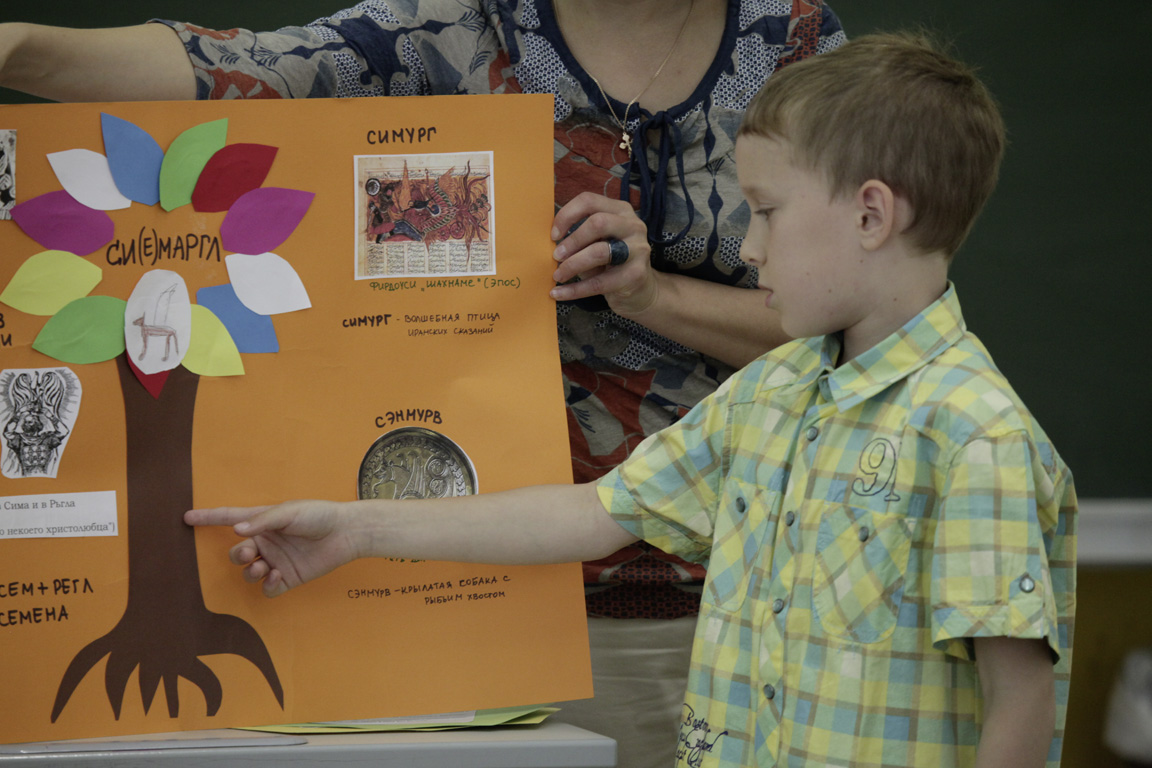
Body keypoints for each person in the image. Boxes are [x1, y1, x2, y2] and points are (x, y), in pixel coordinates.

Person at [185, 31, 1077, 768]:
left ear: (872, 215)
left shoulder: (974, 436)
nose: (749, 249)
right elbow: (591, 514)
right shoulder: (772, 394)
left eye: (765, 212)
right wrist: (355, 531)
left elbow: (1019, 700)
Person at [0, 3, 847, 764]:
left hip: (751, 600)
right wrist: (21, 45)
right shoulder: (449, 28)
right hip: (459, 604)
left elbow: (863, 315)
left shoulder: (795, 43)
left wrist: (655, 296)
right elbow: (236, 67)